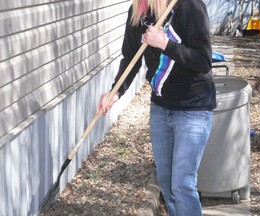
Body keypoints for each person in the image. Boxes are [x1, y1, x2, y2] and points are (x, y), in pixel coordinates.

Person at [96, 0, 216, 215]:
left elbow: (203, 60)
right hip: (161, 108)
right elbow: (131, 58)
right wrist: (116, 92)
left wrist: (165, 44)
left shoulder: (189, 6)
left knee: (182, 185)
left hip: (193, 108)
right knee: (167, 183)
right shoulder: (138, 10)